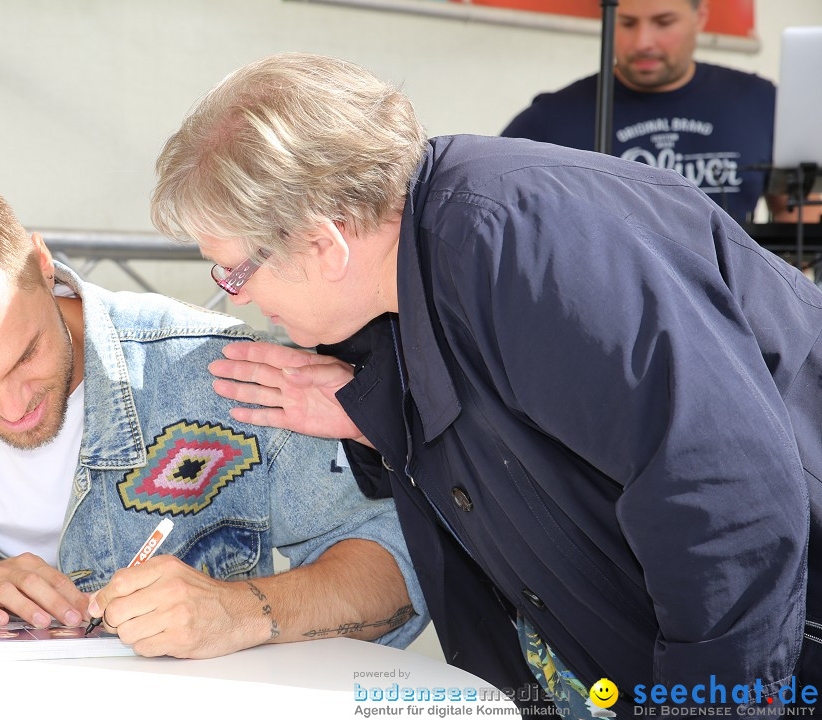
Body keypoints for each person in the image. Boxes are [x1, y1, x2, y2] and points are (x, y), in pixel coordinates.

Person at [150, 52, 820, 714]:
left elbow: (725, 501)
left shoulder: (523, 247)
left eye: (234, 271)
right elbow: (514, 427)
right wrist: (372, 412)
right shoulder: (410, 259)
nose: (234, 297)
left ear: (324, 243)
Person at [0, 170, 428, 661]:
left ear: (42, 264)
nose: (14, 406)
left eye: (24, 355)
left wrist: (242, 612)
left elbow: (403, 563)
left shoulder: (216, 375)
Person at [501, 0, 777, 226]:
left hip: (735, 292)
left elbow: (800, 220)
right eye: (627, 23)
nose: (643, 41)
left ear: (700, 16)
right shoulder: (549, 120)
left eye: (663, 22)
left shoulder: (759, 101)